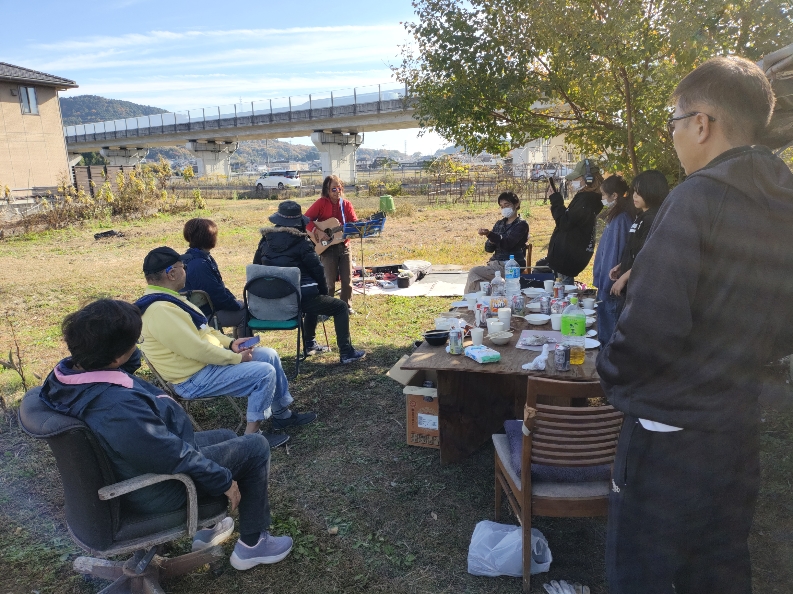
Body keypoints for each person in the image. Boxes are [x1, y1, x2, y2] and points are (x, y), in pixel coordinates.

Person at [596, 56, 793, 593]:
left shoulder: (697, 196)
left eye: (675, 123)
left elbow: (650, 328)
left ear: (701, 124)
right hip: (735, 427)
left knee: (643, 575)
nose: (675, 135)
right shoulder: (782, 198)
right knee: (720, 570)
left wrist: (608, 369)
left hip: (668, 434)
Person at [39, 299, 293, 570]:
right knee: (255, 446)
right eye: (134, 342)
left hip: (132, 466)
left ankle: (208, 529)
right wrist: (222, 480)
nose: (137, 348)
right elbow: (170, 456)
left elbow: (158, 446)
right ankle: (253, 545)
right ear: (114, 358)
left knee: (228, 436)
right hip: (157, 487)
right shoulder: (116, 408)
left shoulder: (72, 375)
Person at [135, 246, 316, 446]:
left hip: (204, 366)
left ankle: (282, 414)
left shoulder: (169, 299)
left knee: (269, 355)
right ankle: (251, 438)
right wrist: (236, 358)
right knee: (264, 373)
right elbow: (197, 350)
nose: (186, 270)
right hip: (192, 379)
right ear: (171, 273)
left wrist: (230, 343)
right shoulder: (160, 310)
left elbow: (205, 330)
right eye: (182, 266)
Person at [252, 201, 366, 364]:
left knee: (314, 297)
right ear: (298, 223)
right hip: (299, 298)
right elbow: (318, 270)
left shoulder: (264, 241)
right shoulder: (302, 242)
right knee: (340, 306)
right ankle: (346, 352)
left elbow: (257, 268)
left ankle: (309, 343)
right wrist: (323, 292)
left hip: (273, 300)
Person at [182, 217, 252, 338]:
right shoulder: (200, 264)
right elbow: (216, 295)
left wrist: (233, 300)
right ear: (209, 238)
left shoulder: (191, 258)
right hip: (203, 315)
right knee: (245, 314)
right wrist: (236, 305)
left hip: (194, 311)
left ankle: (235, 345)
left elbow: (219, 288)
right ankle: (243, 348)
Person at [608, 170, 670, 298]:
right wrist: (622, 266)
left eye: (639, 192)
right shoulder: (641, 216)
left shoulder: (653, 219)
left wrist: (623, 278)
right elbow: (635, 250)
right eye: (634, 192)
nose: (634, 196)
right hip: (631, 285)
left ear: (652, 191)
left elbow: (649, 257)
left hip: (642, 289)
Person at [542, 159, 604, 284]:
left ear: (588, 179)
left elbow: (565, 223)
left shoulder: (586, 200)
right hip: (569, 256)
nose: (573, 181)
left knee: (563, 290)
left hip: (568, 258)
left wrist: (556, 202)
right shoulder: (588, 198)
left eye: (577, 178)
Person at [591, 175, 634, 344]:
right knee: (603, 332)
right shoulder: (615, 216)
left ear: (614, 195)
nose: (602, 198)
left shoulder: (622, 219)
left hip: (611, 287)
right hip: (605, 284)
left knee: (609, 335)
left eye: (603, 195)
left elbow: (615, 254)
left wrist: (608, 283)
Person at [305, 175, 358, 313]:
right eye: (333, 189)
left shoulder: (346, 205)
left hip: (344, 245)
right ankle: (327, 309)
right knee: (329, 282)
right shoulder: (321, 203)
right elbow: (305, 219)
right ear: (327, 190)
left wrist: (356, 227)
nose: (337, 191)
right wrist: (317, 231)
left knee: (347, 281)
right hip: (327, 248)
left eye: (339, 188)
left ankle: (346, 306)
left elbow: (354, 223)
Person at [464, 192, 529, 294]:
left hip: (511, 267)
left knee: (474, 272)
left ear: (516, 204)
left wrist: (490, 234)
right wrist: (491, 239)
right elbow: (488, 249)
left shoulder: (521, 224)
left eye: (507, 205)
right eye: (502, 206)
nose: (504, 208)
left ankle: (468, 300)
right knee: (479, 282)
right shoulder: (499, 224)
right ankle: (481, 301)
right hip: (496, 264)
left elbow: (507, 244)